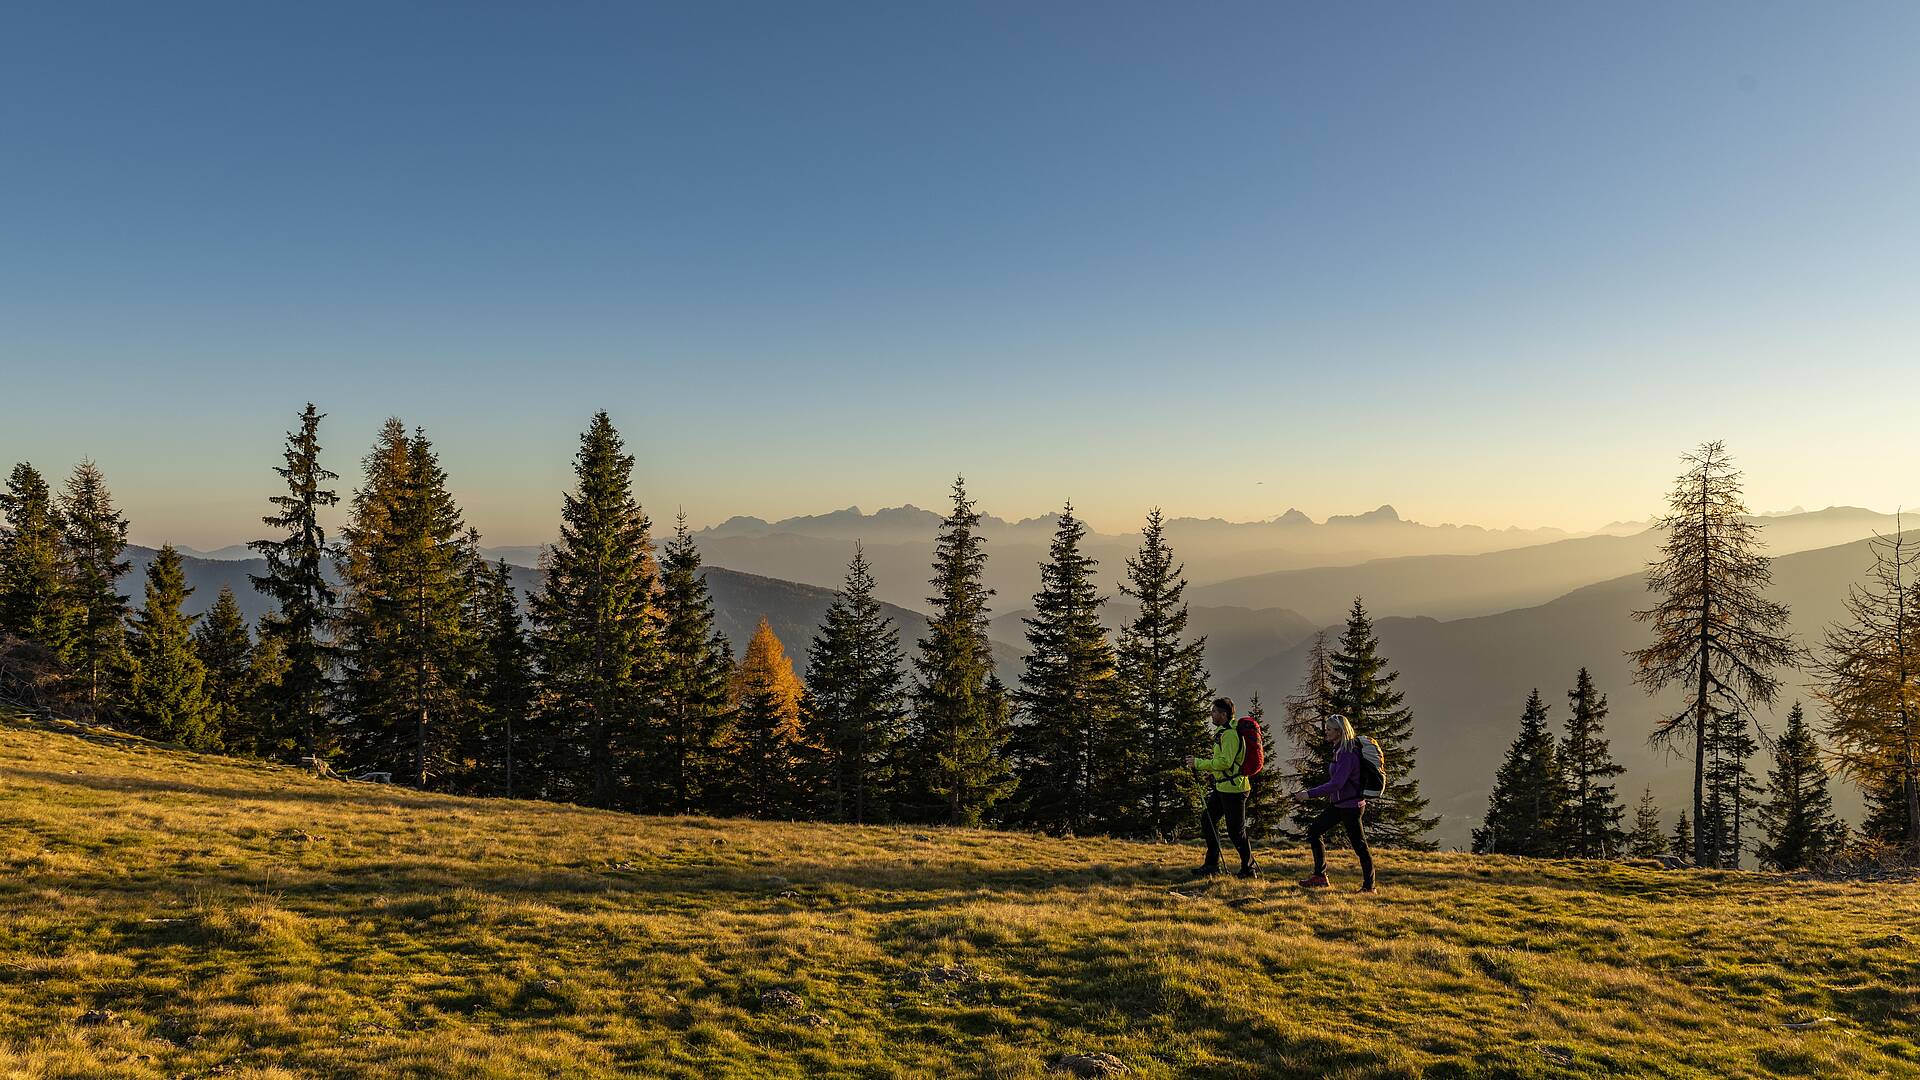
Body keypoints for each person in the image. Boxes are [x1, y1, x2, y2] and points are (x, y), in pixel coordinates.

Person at [1296, 713, 1375, 892]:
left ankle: (1369, 886)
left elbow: (1337, 783)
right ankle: (1319, 876)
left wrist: (1308, 794)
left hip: (1351, 807)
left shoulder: (1347, 754)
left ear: (1339, 732)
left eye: (1330, 729)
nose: (1326, 732)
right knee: (1314, 831)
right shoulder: (1339, 750)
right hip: (1340, 804)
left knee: (1360, 846)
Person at [1190, 697, 1255, 879]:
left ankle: (1248, 869)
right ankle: (1211, 865)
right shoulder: (1224, 731)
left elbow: (1225, 762)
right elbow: (1227, 762)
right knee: (1208, 820)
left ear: (1223, 714)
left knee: (1236, 832)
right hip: (1224, 786)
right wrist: (1214, 774)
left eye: (1214, 711)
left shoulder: (1229, 734)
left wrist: (1199, 763)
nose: (1211, 714)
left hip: (1234, 789)